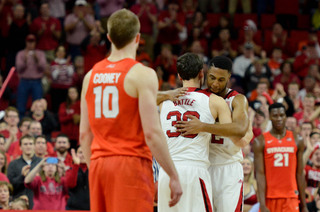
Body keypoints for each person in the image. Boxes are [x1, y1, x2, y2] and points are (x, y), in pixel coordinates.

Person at [79, 9, 182, 212]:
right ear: (137, 38)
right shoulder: (142, 74)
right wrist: (173, 175)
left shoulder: (90, 76)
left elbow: (84, 133)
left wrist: (94, 169)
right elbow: (152, 133)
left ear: (108, 38)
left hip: (99, 163)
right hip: (130, 163)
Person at [172, 56, 253, 211]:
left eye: (221, 80)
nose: (215, 84)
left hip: (228, 167)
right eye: (212, 78)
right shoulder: (198, 97)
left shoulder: (237, 99)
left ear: (229, 77)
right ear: (205, 73)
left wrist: (203, 126)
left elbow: (241, 131)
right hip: (203, 166)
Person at [158, 53, 232, 212]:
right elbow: (231, 133)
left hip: (167, 173)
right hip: (194, 171)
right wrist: (205, 126)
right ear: (201, 73)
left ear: (178, 75)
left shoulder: (164, 101)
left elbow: (137, 100)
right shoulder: (214, 100)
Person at [253, 103, 308, 212]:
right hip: (270, 197)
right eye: (275, 115)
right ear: (269, 116)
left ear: (286, 116)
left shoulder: (297, 140)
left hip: (291, 197)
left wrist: (304, 205)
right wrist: (262, 204)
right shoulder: (260, 141)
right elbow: (260, 174)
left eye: (282, 115)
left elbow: (300, 173)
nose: (279, 119)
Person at [7, 135, 42, 209]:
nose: (28, 146)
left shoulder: (41, 163)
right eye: (25, 144)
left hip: (38, 203)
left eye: (30, 144)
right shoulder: (13, 164)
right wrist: (22, 176)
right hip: (18, 204)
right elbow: (10, 187)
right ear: (20, 147)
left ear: (34, 146)